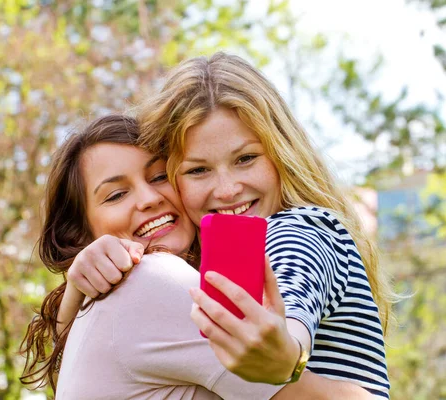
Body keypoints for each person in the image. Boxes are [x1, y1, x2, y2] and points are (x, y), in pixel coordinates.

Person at [65, 53, 394, 398]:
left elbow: (291, 298)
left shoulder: (297, 230)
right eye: (198, 170)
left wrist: (287, 354)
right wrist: (76, 287)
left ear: (282, 152)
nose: (226, 190)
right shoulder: (203, 267)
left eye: (246, 159)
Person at [20, 115, 372, 399]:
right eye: (115, 195)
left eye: (159, 176)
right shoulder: (157, 281)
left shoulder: (107, 302)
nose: (148, 198)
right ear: (81, 234)